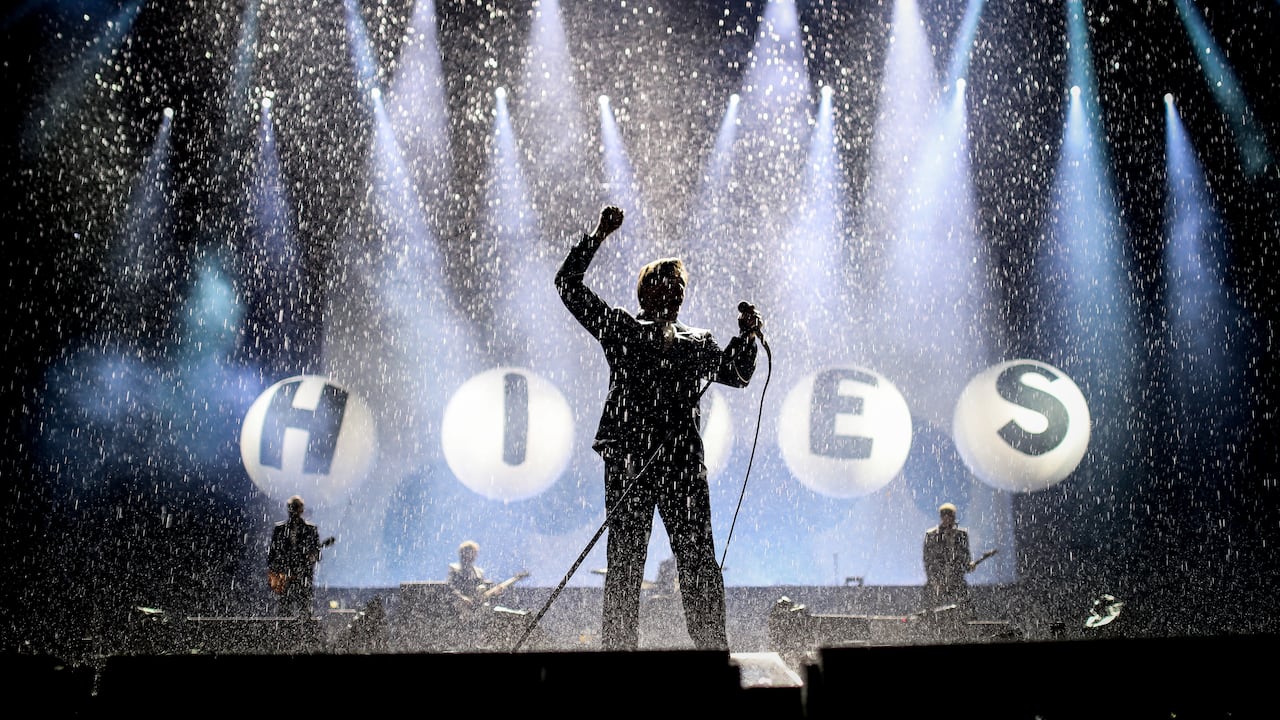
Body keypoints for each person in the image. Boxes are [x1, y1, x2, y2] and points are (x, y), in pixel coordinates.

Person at [555, 205, 763, 651]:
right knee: (626, 561)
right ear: (647, 293)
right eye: (665, 285)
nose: (674, 293)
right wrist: (597, 235)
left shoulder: (698, 341)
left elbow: (736, 374)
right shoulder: (623, 328)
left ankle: (712, 650)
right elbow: (567, 286)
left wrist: (746, 337)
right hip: (630, 459)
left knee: (698, 562)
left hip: (682, 466)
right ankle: (620, 652)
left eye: (679, 287)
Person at [267, 495, 325, 619]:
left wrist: (311, 558)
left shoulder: (310, 529)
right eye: (292, 507)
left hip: (302, 577)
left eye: (296, 507)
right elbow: (272, 555)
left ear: (301, 510)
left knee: (304, 610)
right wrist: (277, 574)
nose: (294, 510)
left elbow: (318, 555)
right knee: (285, 610)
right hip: (286, 577)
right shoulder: (280, 529)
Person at [922, 502, 975, 614]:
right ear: (942, 517)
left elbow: (965, 555)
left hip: (956, 578)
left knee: (966, 608)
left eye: (950, 515)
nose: (948, 518)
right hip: (937, 580)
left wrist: (968, 565)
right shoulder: (932, 535)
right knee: (931, 609)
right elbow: (928, 560)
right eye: (945, 515)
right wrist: (935, 580)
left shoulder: (961, 534)